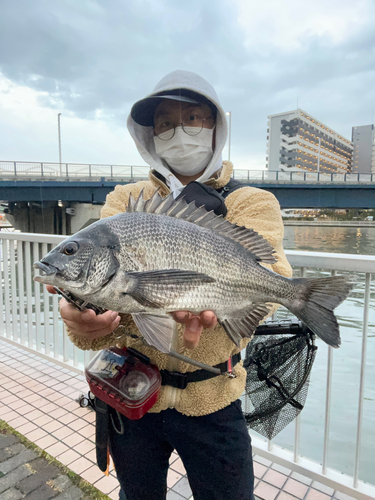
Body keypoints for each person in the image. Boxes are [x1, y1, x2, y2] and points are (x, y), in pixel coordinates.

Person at [49, 69, 292, 500]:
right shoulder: (124, 203)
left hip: (214, 400)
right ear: (150, 135)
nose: (179, 131)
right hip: (133, 394)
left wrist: (225, 308)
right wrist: (84, 320)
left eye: (194, 118)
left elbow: (273, 284)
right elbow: (103, 298)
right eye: (164, 123)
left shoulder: (252, 202)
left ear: (216, 127)